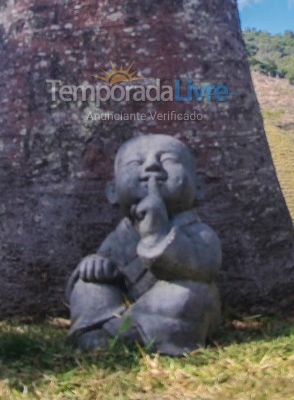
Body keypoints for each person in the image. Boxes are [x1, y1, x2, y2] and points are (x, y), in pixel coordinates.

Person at [67, 134, 221, 356]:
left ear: (198, 188)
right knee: (88, 281)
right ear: (112, 191)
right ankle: (94, 335)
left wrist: (157, 235)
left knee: (188, 293)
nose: (151, 167)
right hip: (122, 308)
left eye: (168, 160)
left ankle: (126, 336)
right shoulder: (120, 236)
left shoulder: (199, 233)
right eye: (136, 163)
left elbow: (202, 269)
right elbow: (108, 267)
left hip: (168, 311)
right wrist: (96, 266)